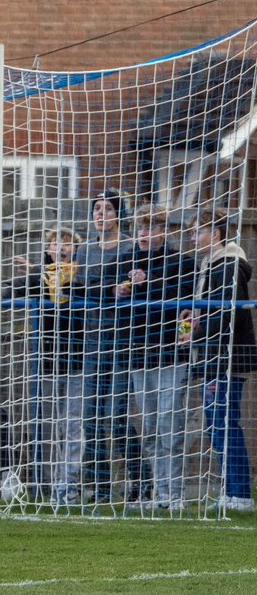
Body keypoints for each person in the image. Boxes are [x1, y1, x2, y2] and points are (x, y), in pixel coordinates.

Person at [118, 206, 197, 509]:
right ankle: (159, 494)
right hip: (139, 356)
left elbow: (184, 295)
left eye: (151, 228)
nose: (144, 234)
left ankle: (174, 495)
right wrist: (118, 290)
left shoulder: (182, 262)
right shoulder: (127, 259)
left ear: (164, 231)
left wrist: (146, 284)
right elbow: (98, 281)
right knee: (149, 430)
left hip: (171, 356)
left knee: (170, 428)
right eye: (141, 228)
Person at [179, 209, 257, 513]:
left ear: (216, 233)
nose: (193, 236)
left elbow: (226, 313)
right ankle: (232, 491)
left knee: (224, 424)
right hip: (209, 357)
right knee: (218, 426)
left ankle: (239, 494)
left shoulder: (229, 264)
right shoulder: (206, 266)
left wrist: (194, 334)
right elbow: (198, 315)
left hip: (227, 358)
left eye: (198, 230)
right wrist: (188, 325)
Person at [74, 189, 145, 505]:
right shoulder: (84, 250)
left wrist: (121, 286)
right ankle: (100, 488)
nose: (101, 214)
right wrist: (107, 287)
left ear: (119, 214)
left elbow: (128, 286)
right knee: (90, 419)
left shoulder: (131, 247)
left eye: (107, 208)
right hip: (91, 340)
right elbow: (82, 284)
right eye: (96, 209)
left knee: (115, 418)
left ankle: (140, 479)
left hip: (121, 340)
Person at [6, 226, 85, 505]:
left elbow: (79, 290)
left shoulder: (83, 275)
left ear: (76, 250)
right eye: (55, 244)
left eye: (67, 244)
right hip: (45, 361)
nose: (61, 249)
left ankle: (69, 486)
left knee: (73, 426)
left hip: (77, 360)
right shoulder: (39, 276)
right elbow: (10, 288)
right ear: (48, 249)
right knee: (45, 426)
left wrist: (46, 275)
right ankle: (45, 483)